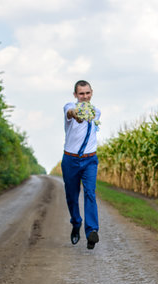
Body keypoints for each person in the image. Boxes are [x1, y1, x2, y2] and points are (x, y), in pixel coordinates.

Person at [61, 80, 100, 250]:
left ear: (92, 93)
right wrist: (75, 114)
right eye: (81, 94)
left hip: (90, 159)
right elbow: (70, 113)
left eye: (87, 93)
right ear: (75, 95)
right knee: (72, 196)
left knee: (90, 193)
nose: (85, 97)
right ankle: (76, 222)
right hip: (71, 160)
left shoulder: (96, 112)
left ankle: (92, 231)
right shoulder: (70, 107)